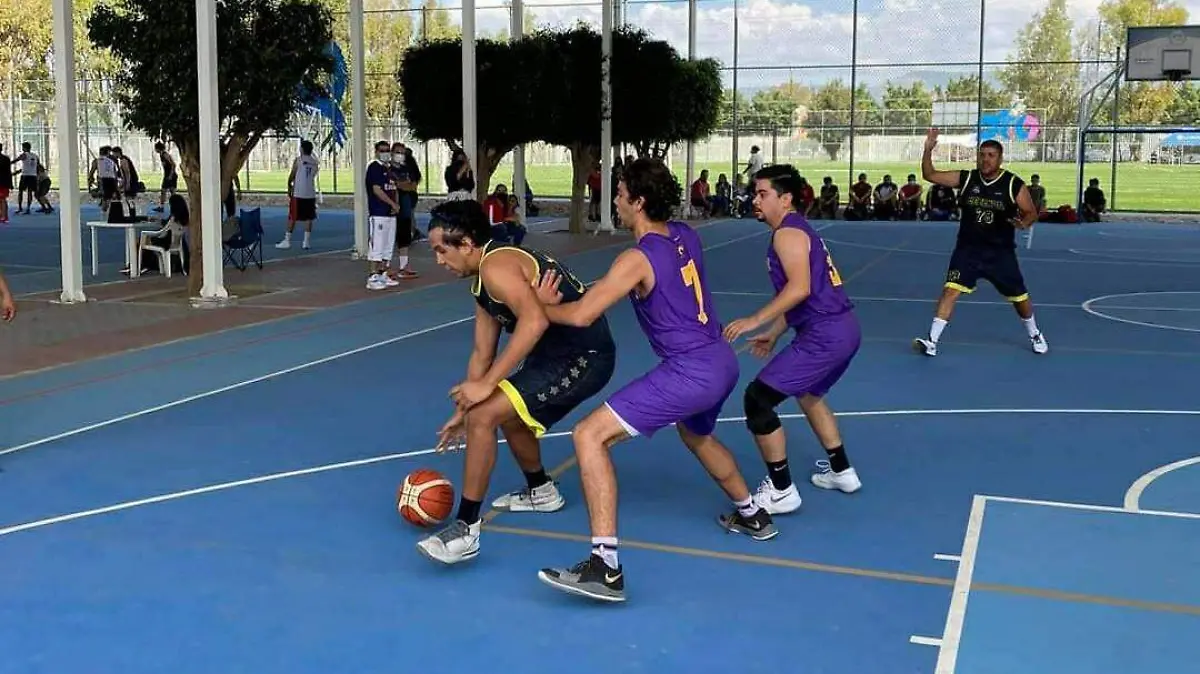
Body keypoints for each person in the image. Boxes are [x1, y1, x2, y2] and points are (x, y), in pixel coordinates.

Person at [536, 158, 776, 604]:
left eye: (621, 193)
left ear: (638, 201)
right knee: (696, 434)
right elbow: (659, 283)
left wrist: (539, 307)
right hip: (722, 360)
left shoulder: (636, 258)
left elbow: (583, 315)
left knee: (589, 436)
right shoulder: (686, 235)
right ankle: (752, 513)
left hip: (691, 369)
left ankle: (604, 567)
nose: (615, 199)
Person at [417, 199, 616, 566]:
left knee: (487, 416)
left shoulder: (497, 266)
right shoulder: (483, 280)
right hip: (556, 355)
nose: (439, 260)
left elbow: (535, 322)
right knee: (498, 411)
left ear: (467, 244)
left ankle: (466, 529)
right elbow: (482, 353)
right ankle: (541, 490)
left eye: (441, 250)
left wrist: (484, 391)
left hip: (583, 357)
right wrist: (464, 406)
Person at [722, 164, 864, 514]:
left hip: (825, 333)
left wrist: (756, 319)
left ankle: (782, 489)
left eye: (762, 194)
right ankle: (842, 470)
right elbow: (803, 291)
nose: (755, 199)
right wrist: (773, 333)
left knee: (758, 400)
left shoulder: (787, 234)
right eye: (755, 193)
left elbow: (799, 288)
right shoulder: (796, 230)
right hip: (843, 329)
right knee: (809, 392)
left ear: (785, 199)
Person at [913, 129, 1047, 356]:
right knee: (950, 290)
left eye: (991, 155)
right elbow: (930, 175)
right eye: (982, 154)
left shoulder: (1012, 183)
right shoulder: (966, 179)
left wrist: (1024, 223)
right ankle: (932, 341)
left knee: (1019, 298)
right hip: (968, 250)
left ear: (1000, 158)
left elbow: (1030, 211)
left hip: (1000, 253)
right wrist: (928, 149)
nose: (985, 159)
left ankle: (1034, 333)